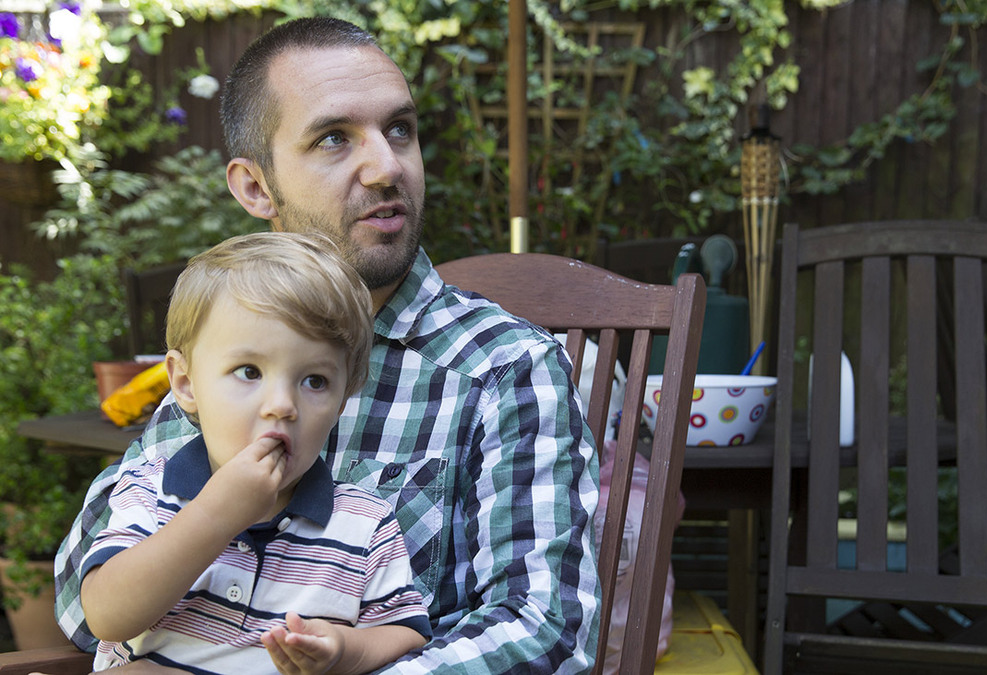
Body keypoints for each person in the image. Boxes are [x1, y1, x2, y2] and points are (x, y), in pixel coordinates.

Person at [55, 16, 600, 674]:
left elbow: (540, 628)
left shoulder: (504, 367)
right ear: (256, 187)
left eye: (400, 129)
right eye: (336, 138)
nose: (387, 166)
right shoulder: (228, 352)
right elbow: (81, 601)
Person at [80, 232, 431, 673]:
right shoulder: (150, 491)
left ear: (343, 400)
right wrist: (215, 515)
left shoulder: (363, 525)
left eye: (315, 381)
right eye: (249, 371)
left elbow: (405, 632)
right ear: (186, 383)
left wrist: (344, 649)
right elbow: (106, 616)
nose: (282, 405)